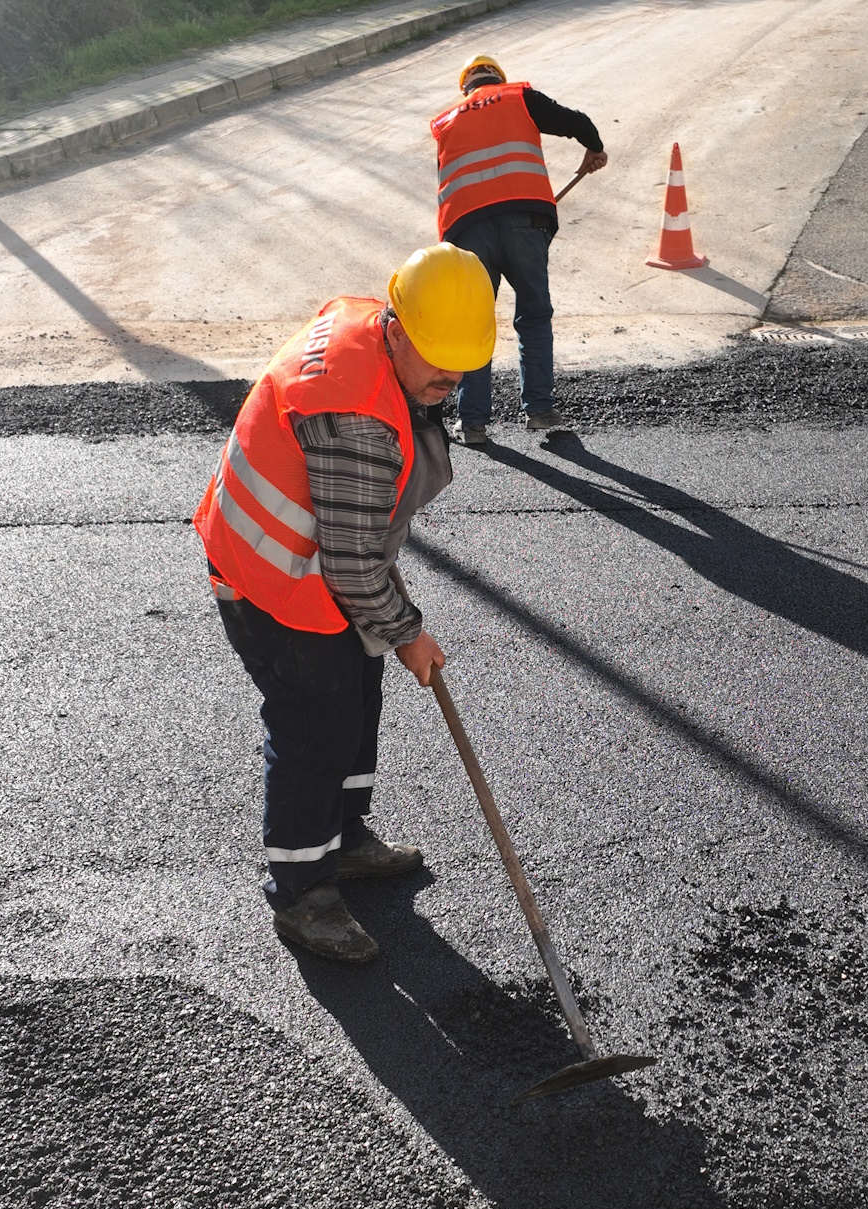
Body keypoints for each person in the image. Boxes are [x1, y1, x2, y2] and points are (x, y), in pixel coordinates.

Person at [192, 245, 496, 962]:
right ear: (395, 327)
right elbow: (354, 563)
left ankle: (346, 837)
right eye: (435, 359)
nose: (448, 379)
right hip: (270, 574)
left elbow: (359, 551)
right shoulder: (355, 415)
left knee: (358, 690)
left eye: (461, 362)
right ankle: (304, 894)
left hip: (319, 561)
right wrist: (408, 632)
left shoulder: (377, 334)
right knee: (313, 720)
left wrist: (387, 632)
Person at [430, 53, 607, 444]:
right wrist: (593, 148)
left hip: (468, 231)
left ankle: (472, 423)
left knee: (475, 324)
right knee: (533, 315)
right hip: (524, 224)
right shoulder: (517, 98)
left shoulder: (446, 122)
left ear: (466, 87)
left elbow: (447, 187)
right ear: (497, 78)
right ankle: (540, 409)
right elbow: (577, 122)